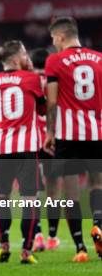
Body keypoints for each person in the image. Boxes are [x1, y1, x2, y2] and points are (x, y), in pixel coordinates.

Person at [43, 16, 102, 262]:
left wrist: (49, 132)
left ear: (60, 37)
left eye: (54, 39)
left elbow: (53, 101)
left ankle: (80, 248)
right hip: (96, 131)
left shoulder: (55, 61)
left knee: (70, 191)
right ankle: (98, 223)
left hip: (68, 134)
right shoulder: (99, 59)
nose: (54, 44)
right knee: (97, 183)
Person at [0, 40, 44, 264]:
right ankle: (26, 251)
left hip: (1, 148)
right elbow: (41, 108)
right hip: (26, 147)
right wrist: (30, 70)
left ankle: (4, 246)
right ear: (14, 59)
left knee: (2, 197)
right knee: (29, 200)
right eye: (23, 53)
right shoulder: (31, 78)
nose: (26, 56)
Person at [29, 48, 61, 251]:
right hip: (52, 139)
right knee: (53, 190)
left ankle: (37, 235)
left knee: (35, 190)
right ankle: (52, 237)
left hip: (33, 141)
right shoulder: (53, 80)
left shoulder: (28, 80)